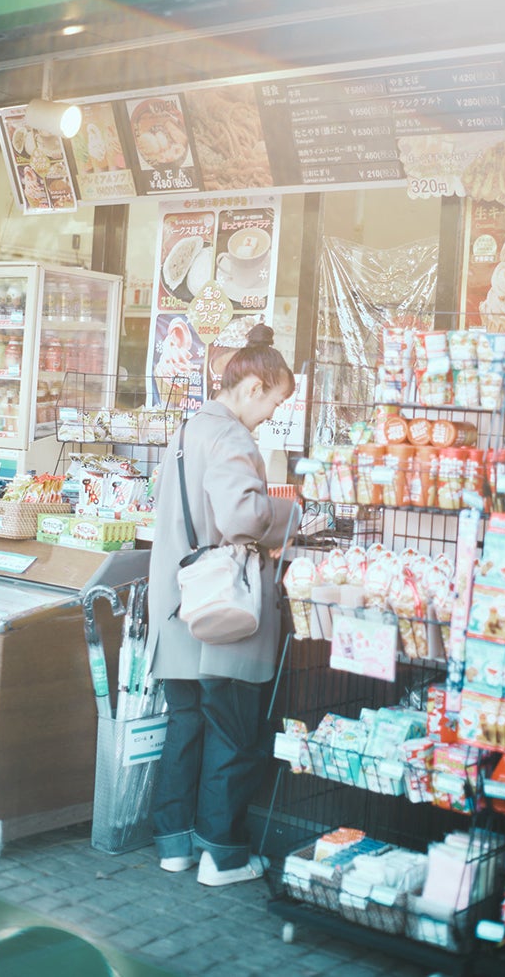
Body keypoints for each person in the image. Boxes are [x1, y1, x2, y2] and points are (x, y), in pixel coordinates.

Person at [148, 323, 301, 886]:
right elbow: (242, 518)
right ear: (254, 386)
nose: (272, 416)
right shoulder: (234, 437)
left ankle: (173, 845)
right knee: (233, 735)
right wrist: (291, 515)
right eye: (275, 402)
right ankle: (221, 855)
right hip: (223, 614)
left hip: (178, 608)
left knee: (184, 729)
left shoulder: (189, 429)